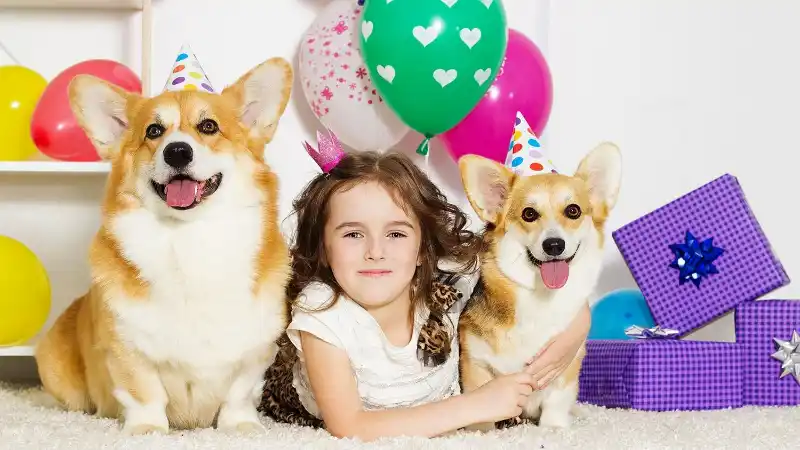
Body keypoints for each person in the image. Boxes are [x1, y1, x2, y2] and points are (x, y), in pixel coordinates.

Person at [258, 133, 590, 440]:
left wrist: (577, 328)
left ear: (422, 250)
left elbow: (540, 280)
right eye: (353, 234)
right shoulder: (324, 313)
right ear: (324, 249)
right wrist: (476, 405)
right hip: (299, 397)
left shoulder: (445, 282)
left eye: (396, 234)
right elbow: (350, 425)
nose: (376, 252)